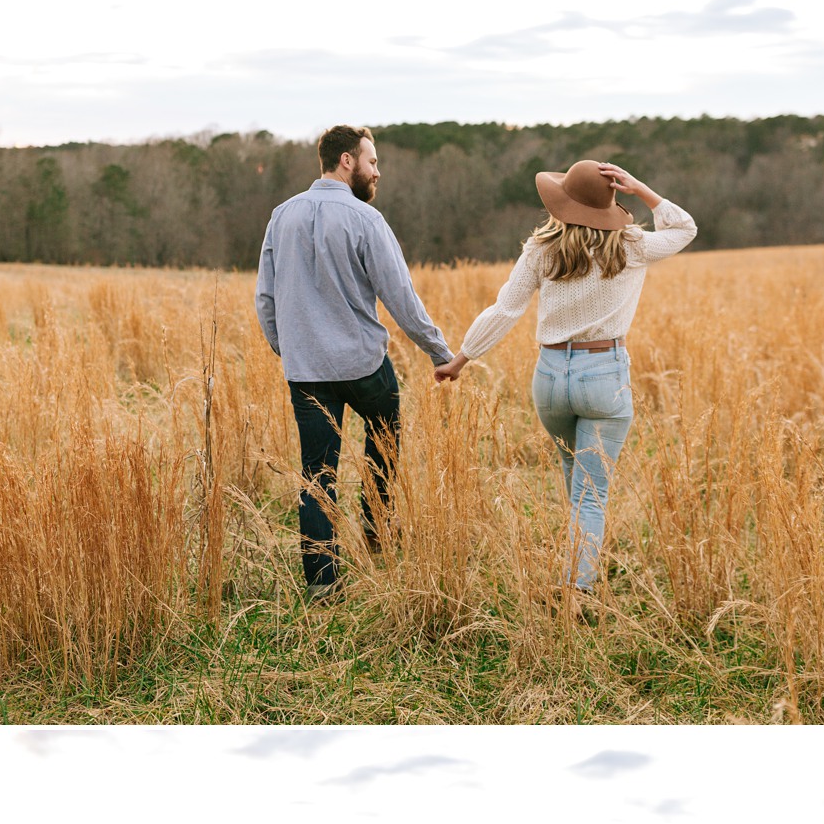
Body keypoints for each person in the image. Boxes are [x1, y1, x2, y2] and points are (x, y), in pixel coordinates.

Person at [435, 161, 696, 601]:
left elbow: (505, 309)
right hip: (603, 375)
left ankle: (577, 565)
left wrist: (460, 359)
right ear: (609, 205)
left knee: (575, 480)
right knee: (590, 495)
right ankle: (578, 589)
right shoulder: (631, 244)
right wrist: (641, 190)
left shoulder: (541, 247)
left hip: (551, 379)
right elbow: (684, 228)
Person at [255, 125, 456, 597]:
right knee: (384, 442)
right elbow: (401, 297)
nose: (377, 172)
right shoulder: (367, 220)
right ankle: (379, 532)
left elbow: (265, 298)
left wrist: (290, 348)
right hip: (364, 367)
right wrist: (441, 353)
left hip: (306, 373)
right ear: (347, 161)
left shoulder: (281, 216)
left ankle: (323, 584)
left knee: (317, 474)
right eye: (372, 161)